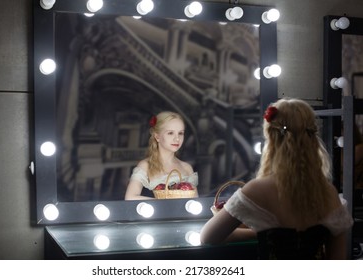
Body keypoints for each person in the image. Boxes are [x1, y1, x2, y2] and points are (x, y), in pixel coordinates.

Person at [200, 98, 354, 259]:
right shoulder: (328, 193)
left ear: (271, 139)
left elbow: (208, 237)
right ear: (312, 137)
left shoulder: (257, 190)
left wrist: (257, 232)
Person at [125, 111, 198, 200]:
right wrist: (166, 204)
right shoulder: (145, 165)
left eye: (180, 133)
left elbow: (195, 202)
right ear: (157, 136)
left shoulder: (187, 167)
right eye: (170, 133)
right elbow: (130, 197)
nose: (177, 139)